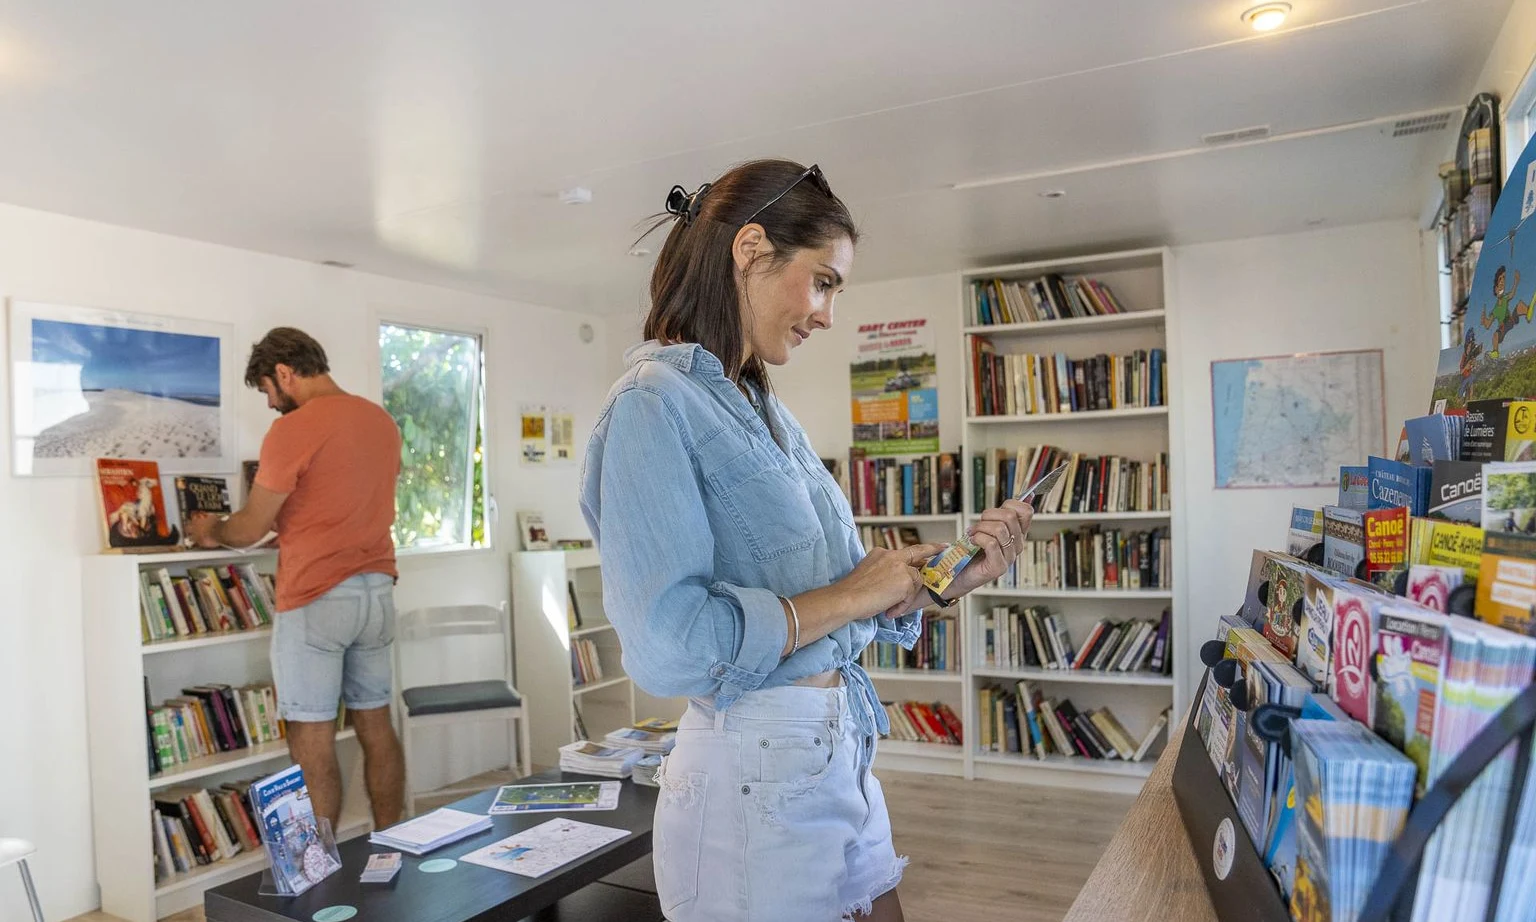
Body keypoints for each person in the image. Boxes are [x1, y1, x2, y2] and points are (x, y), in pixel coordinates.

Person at [579, 160, 1033, 922]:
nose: (826, 314)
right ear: (751, 249)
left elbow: (831, 595)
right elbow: (672, 648)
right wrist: (857, 591)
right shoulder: (650, 407)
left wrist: (932, 580)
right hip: (749, 774)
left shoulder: (764, 410)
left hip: (834, 749)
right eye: (823, 281)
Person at [184, 327, 406, 830]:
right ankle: (395, 845)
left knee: (311, 740)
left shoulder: (294, 429)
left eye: (266, 389)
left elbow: (249, 527)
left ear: (284, 373)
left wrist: (212, 529)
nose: (269, 403)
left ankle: (317, 878)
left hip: (318, 597)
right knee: (376, 726)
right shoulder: (380, 420)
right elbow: (339, 503)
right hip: (376, 592)